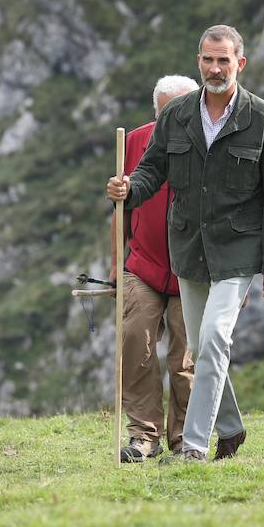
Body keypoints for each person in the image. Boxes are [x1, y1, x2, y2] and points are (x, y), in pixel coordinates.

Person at [107, 24, 264, 461]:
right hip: (187, 250)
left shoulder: (263, 118)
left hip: (238, 252)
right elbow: (152, 171)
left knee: (211, 339)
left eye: (223, 59)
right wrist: (128, 188)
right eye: (207, 59)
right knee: (201, 345)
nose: (215, 67)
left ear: (239, 63)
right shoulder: (176, 115)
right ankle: (230, 427)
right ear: (199, 61)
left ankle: (192, 447)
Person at [112, 75, 198, 462]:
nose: (174, 118)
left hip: (192, 268)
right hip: (143, 264)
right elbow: (121, 208)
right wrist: (116, 261)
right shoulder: (135, 141)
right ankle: (143, 437)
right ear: (156, 111)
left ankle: (184, 438)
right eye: (167, 111)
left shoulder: (207, 143)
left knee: (185, 357)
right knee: (136, 340)